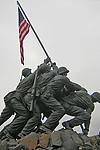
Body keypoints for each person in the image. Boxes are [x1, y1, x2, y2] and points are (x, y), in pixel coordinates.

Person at [0, 58, 51, 139]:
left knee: (3, 118)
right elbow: (38, 71)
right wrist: (45, 63)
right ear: (28, 73)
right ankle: (7, 132)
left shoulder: (22, 81)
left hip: (11, 99)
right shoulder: (29, 78)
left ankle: (3, 133)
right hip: (15, 100)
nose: (31, 72)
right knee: (25, 115)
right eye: (30, 72)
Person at [37, 67, 85, 133]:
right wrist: (80, 89)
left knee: (54, 113)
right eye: (66, 73)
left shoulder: (56, 78)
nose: (66, 75)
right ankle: (45, 126)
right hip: (47, 96)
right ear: (63, 73)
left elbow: (60, 92)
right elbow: (71, 86)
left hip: (45, 95)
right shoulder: (63, 78)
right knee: (60, 110)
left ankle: (44, 129)